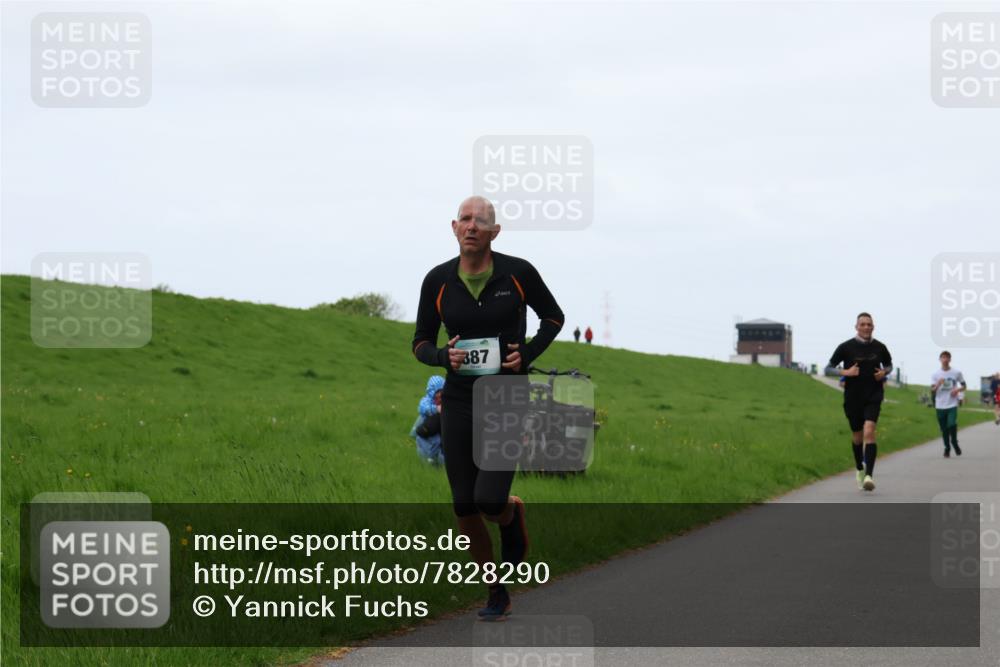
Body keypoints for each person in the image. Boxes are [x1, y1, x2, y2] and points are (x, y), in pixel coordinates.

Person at [411, 195, 564, 621]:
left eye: (481, 220)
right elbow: (420, 341)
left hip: (505, 397)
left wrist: (526, 354)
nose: (472, 225)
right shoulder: (438, 280)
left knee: (489, 498)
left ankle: (510, 513)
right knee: (464, 504)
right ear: (454, 227)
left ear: (495, 232)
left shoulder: (518, 273)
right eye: (465, 219)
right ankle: (495, 589)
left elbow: (553, 317)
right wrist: (443, 357)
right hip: (459, 400)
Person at [828, 312, 893, 492]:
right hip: (853, 397)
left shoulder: (880, 347)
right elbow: (828, 368)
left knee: (869, 430)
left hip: (874, 395)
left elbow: (889, 365)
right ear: (856, 327)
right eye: (862, 324)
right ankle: (859, 468)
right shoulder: (845, 347)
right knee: (857, 436)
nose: (866, 327)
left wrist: (884, 373)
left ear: (873, 327)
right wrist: (845, 373)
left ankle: (869, 476)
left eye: (869, 324)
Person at [931, 351, 966, 457]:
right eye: (943, 357)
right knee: (944, 429)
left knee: (951, 424)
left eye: (947, 357)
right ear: (940, 360)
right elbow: (932, 390)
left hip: (952, 404)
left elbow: (964, 386)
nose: (945, 359)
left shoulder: (956, 372)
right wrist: (938, 384)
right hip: (940, 405)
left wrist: (957, 390)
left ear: (950, 360)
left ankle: (954, 442)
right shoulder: (935, 374)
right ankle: (947, 448)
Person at [410, 375, 446, 465]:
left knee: (438, 442)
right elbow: (422, 408)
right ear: (432, 393)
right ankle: (428, 461)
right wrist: (436, 409)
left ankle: (435, 460)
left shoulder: (444, 401)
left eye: (442, 392)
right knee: (428, 443)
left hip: (435, 428)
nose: (440, 395)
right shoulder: (427, 401)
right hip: (425, 426)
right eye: (437, 392)